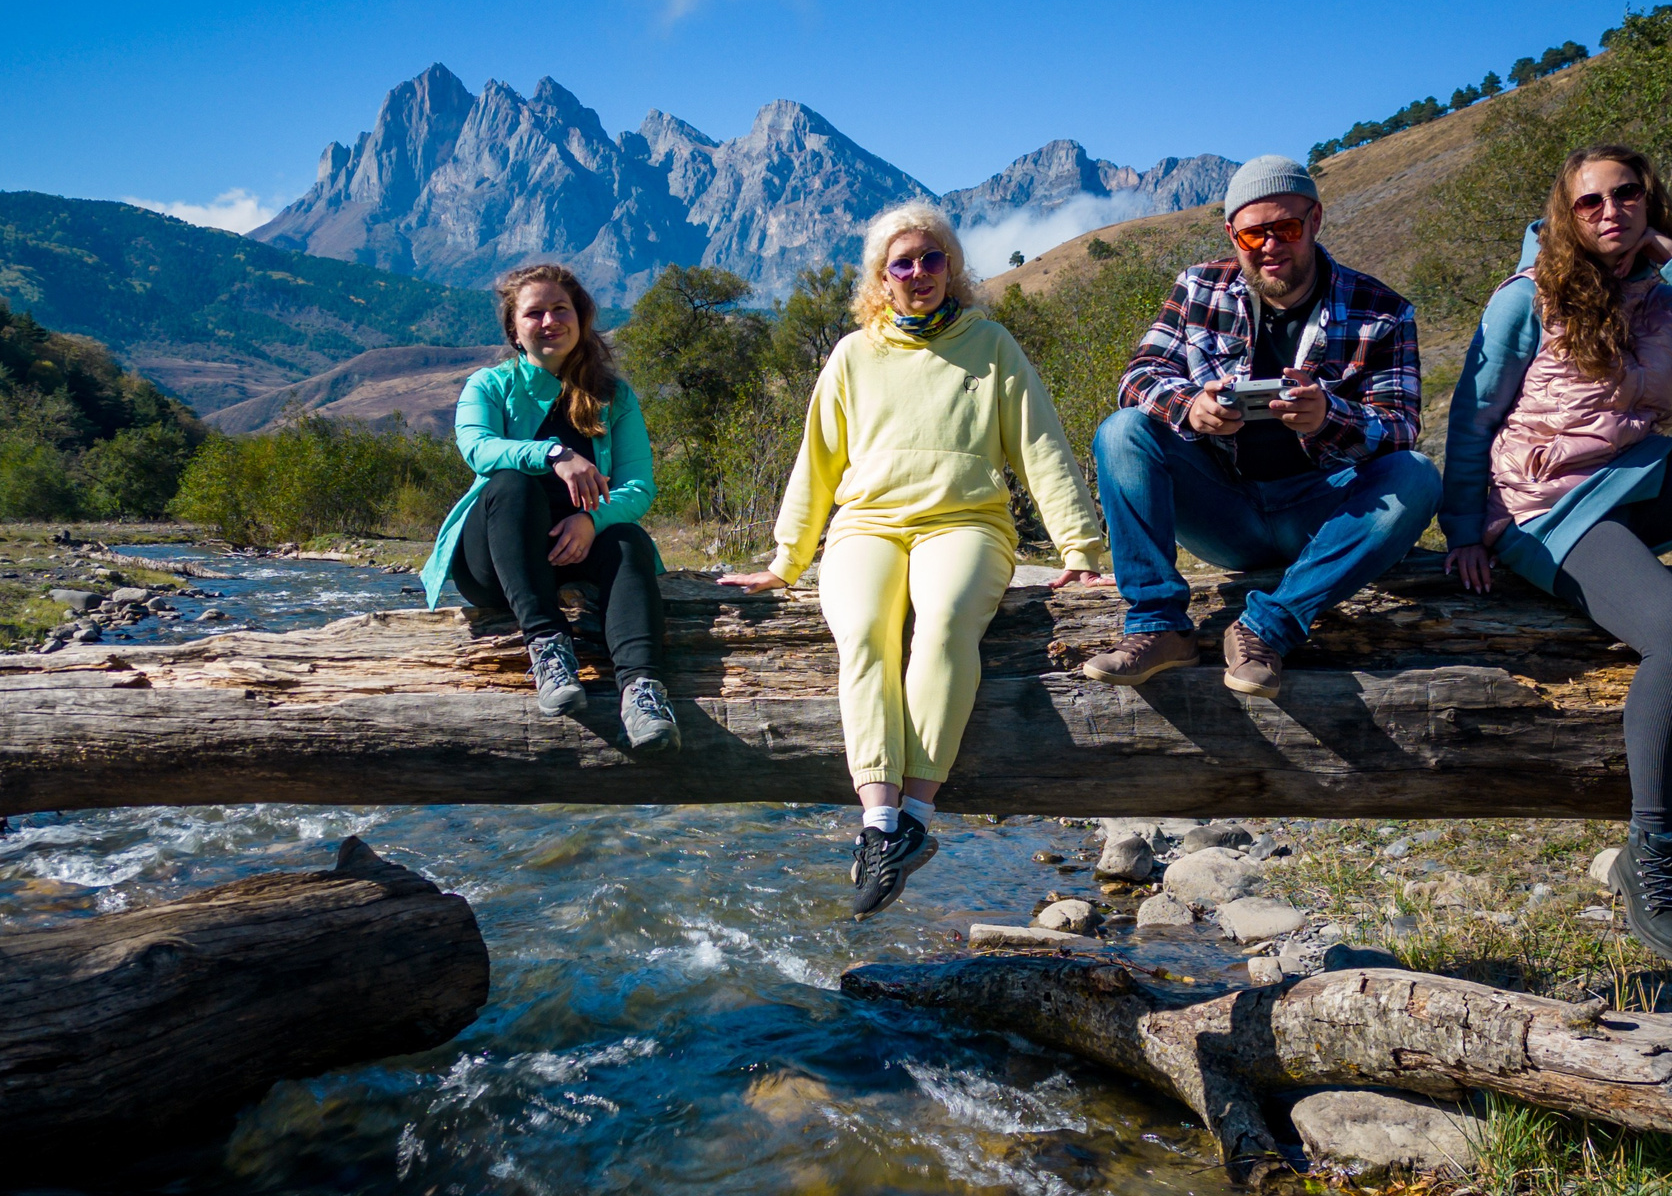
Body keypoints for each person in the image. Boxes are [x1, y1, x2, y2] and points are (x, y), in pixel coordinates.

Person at [1439, 143, 1672, 964]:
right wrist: (1463, 530)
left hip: (1642, 482)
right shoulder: (1528, 298)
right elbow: (1472, 416)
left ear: (1648, 200)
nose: (1610, 212)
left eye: (1626, 196)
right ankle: (1648, 854)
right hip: (1548, 511)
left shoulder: (1663, 290)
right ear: (1565, 214)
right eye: (1590, 203)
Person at [719, 201, 1108, 921]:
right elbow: (818, 462)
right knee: (863, 631)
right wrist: (785, 560)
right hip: (865, 526)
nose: (920, 273)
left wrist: (1079, 549)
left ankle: (916, 823)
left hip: (965, 525)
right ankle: (876, 826)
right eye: (903, 263)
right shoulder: (852, 355)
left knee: (944, 622)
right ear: (881, 278)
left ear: (951, 266)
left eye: (932, 258)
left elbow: (1040, 446)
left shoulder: (990, 345)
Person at [1080, 155, 1440, 697]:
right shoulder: (1199, 287)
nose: (1270, 246)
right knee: (1121, 431)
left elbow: (1401, 426)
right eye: (1253, 235)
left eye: (1286, 228)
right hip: (1223, 510)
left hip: (1322, 510)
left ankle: (1266, 628)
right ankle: (1158, 626)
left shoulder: (1382, 310)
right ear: (1233, 235)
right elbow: (1138, 376)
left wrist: (1329, 418)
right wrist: (1190, 409)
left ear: (1315, 221)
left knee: (1416, 475)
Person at [418, 264, 679, 750]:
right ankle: (548, 648)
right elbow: (478, 448)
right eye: (534, 312)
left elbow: (639, 487)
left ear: (580, 319)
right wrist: (554, 453)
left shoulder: (614, 396)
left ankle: (642, 691)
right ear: (514, 330)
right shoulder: (488, 385)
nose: (549, 321)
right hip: (499, 561)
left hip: (576, 553)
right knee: (512, 484)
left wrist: (590, 520)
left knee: (628, 540)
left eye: (561, 309)